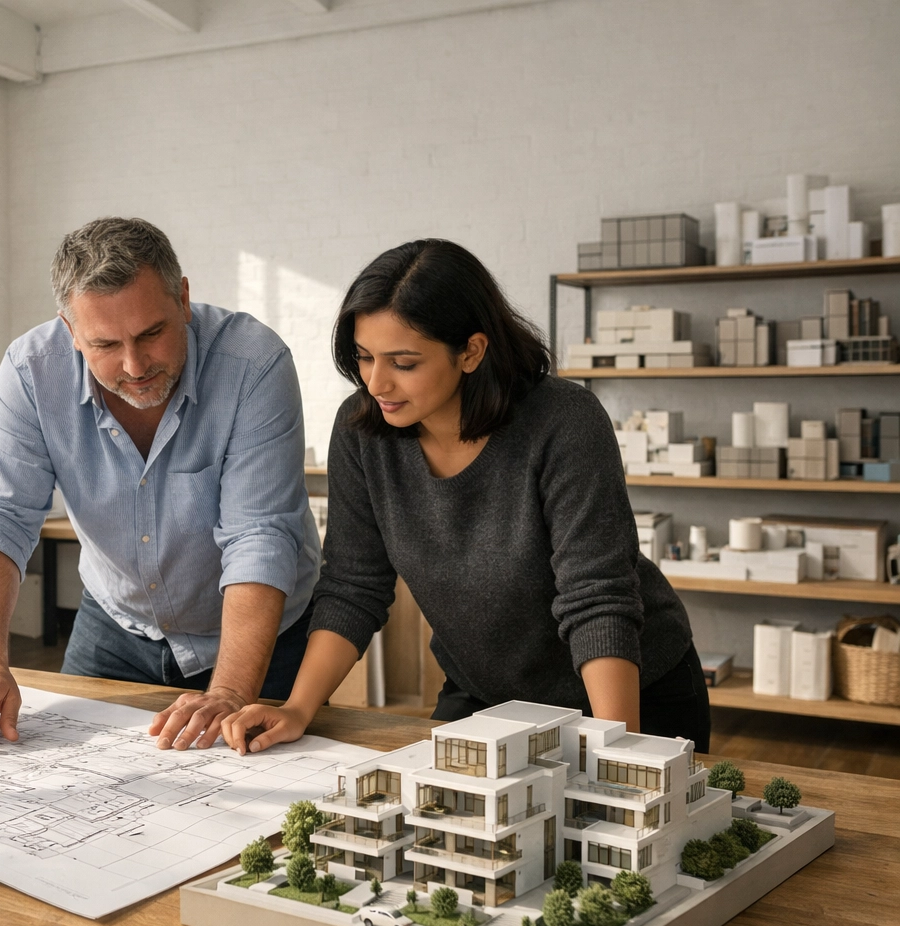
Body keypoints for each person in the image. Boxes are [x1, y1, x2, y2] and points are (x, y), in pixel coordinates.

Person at [222, 238, 710, 756]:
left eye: (403, 363)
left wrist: (619, 750)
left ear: (472, 351)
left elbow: (597, 598)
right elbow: (352, 586)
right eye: (365, 357)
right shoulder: (363, 431)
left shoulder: (563, 422)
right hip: (484, 696)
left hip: (629, 697)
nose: (377, 382)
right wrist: (298, 708)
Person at [0, 217, 320, 756]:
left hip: (264, 637)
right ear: (70, 331)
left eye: (151, 334)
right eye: (104, 344)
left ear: (183, 299)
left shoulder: (254, 364)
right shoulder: (30, 372)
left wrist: (232, 691)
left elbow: (259, 537)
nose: (135, 365)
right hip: (116, 626)